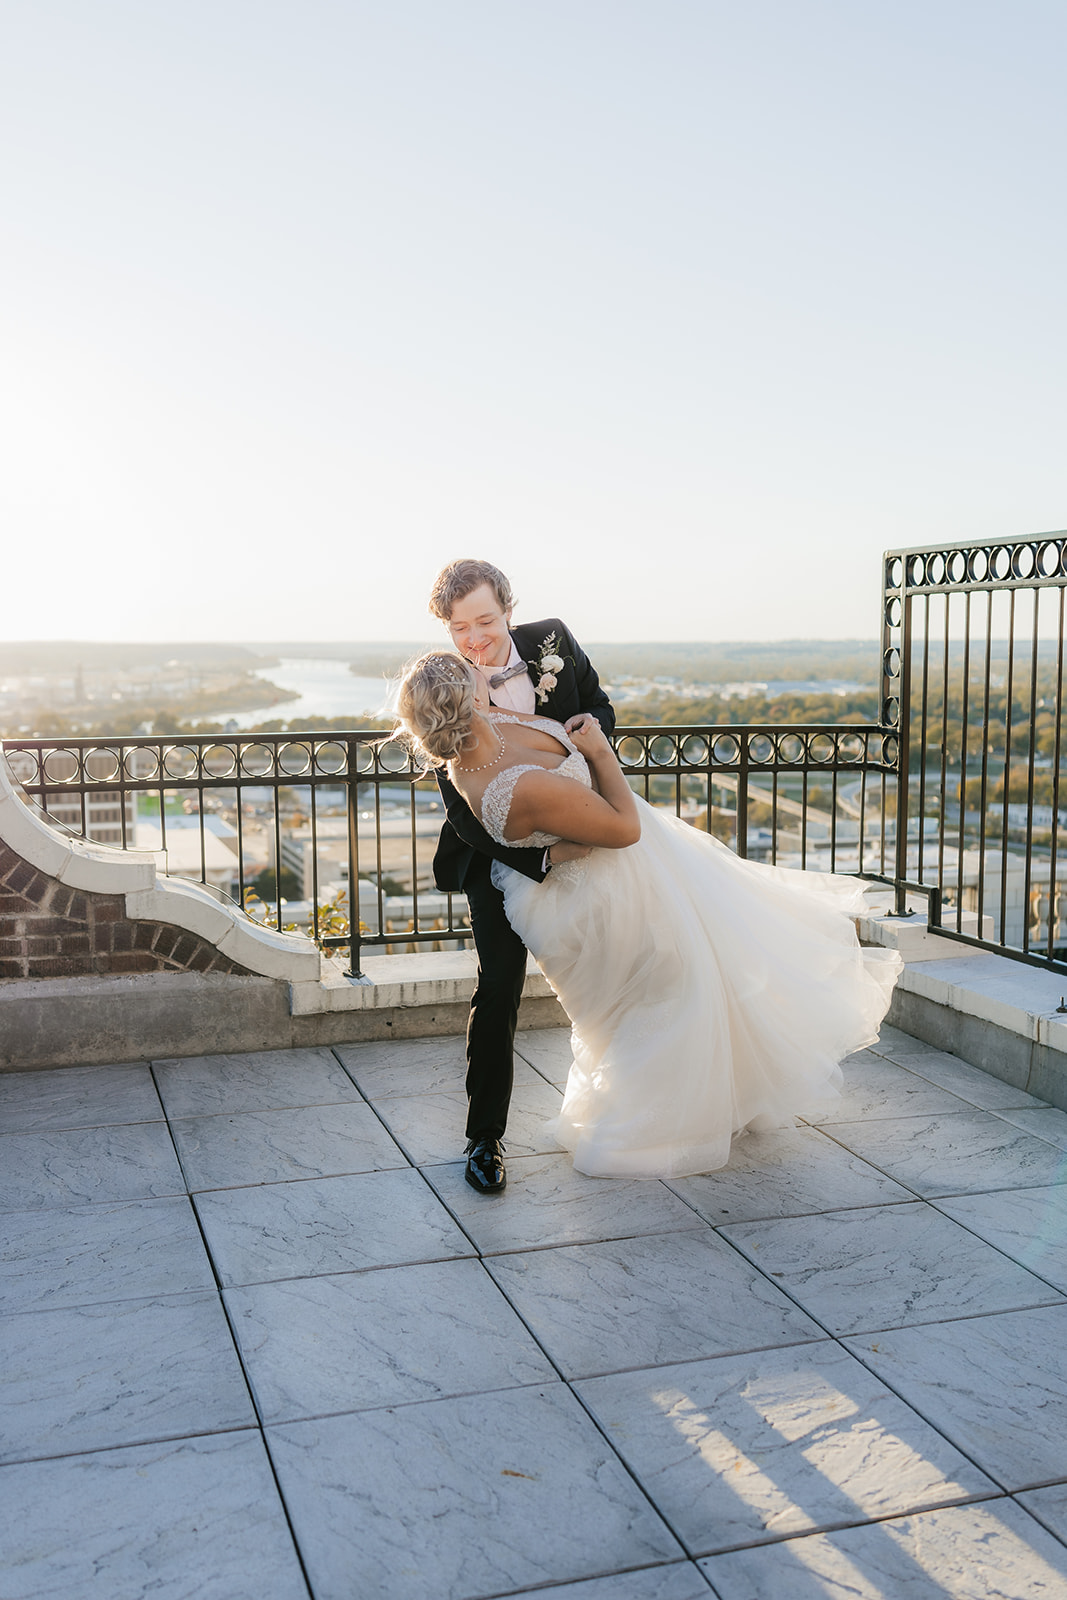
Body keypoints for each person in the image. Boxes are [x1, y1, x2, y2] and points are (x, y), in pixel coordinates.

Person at [396, 651, 903, 1183]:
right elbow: (623, 827)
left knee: (702, 976)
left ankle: (725, 1095)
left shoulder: (483, 733)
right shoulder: (512, 784)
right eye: (470, 670)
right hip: (606, 890)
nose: (484, 667)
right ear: (470, 699)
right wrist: (597, 751)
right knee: (663, 996)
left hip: (633, 868)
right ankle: (651, 1124)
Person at [425, 559, 614, 1195]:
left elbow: (600, 707)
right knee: (499, 982)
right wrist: (538, 860)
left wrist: (590, 739)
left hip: (577, 829)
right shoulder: (441, 683)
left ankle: (640, 1098)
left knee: (626, 957)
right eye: (459, 628)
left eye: (484, 621)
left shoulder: (552, 638)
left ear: (509, 608)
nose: (474, 640)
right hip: (498, 850)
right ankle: (484, 1139)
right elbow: (461, 808)